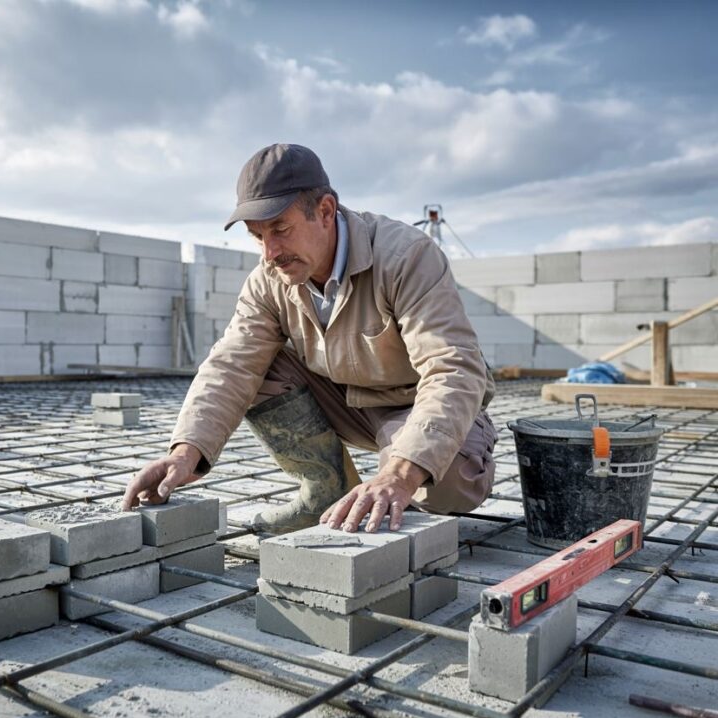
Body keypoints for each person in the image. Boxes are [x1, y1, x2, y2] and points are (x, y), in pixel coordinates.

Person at [122, 143, 496, 534]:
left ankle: (403, 465)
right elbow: (231, 365)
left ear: (326, 212)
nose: (270, 252)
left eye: (281, 230)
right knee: (256, 368)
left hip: (414, 403)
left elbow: (452, 367)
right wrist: (185, 452)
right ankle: (326, 488)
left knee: (444, 485)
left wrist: (401, 474)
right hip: (345, 402)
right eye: (257, 235)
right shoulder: (269, 280)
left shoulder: (406, 257)